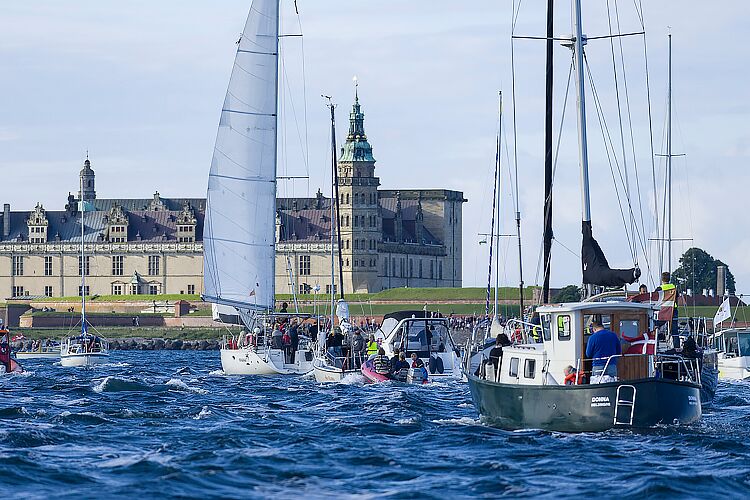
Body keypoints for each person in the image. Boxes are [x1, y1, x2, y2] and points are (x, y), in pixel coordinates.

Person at [656, 271, 680, 348]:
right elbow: (676, 299)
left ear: (662, 279)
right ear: (669, 279)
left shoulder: (659, 288)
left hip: (662, 310)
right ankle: (677, 347)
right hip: (673, 310)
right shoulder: (674, 287)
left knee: (656, 328)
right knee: (675, 331)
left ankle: (656, 346)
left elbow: (656, 300)